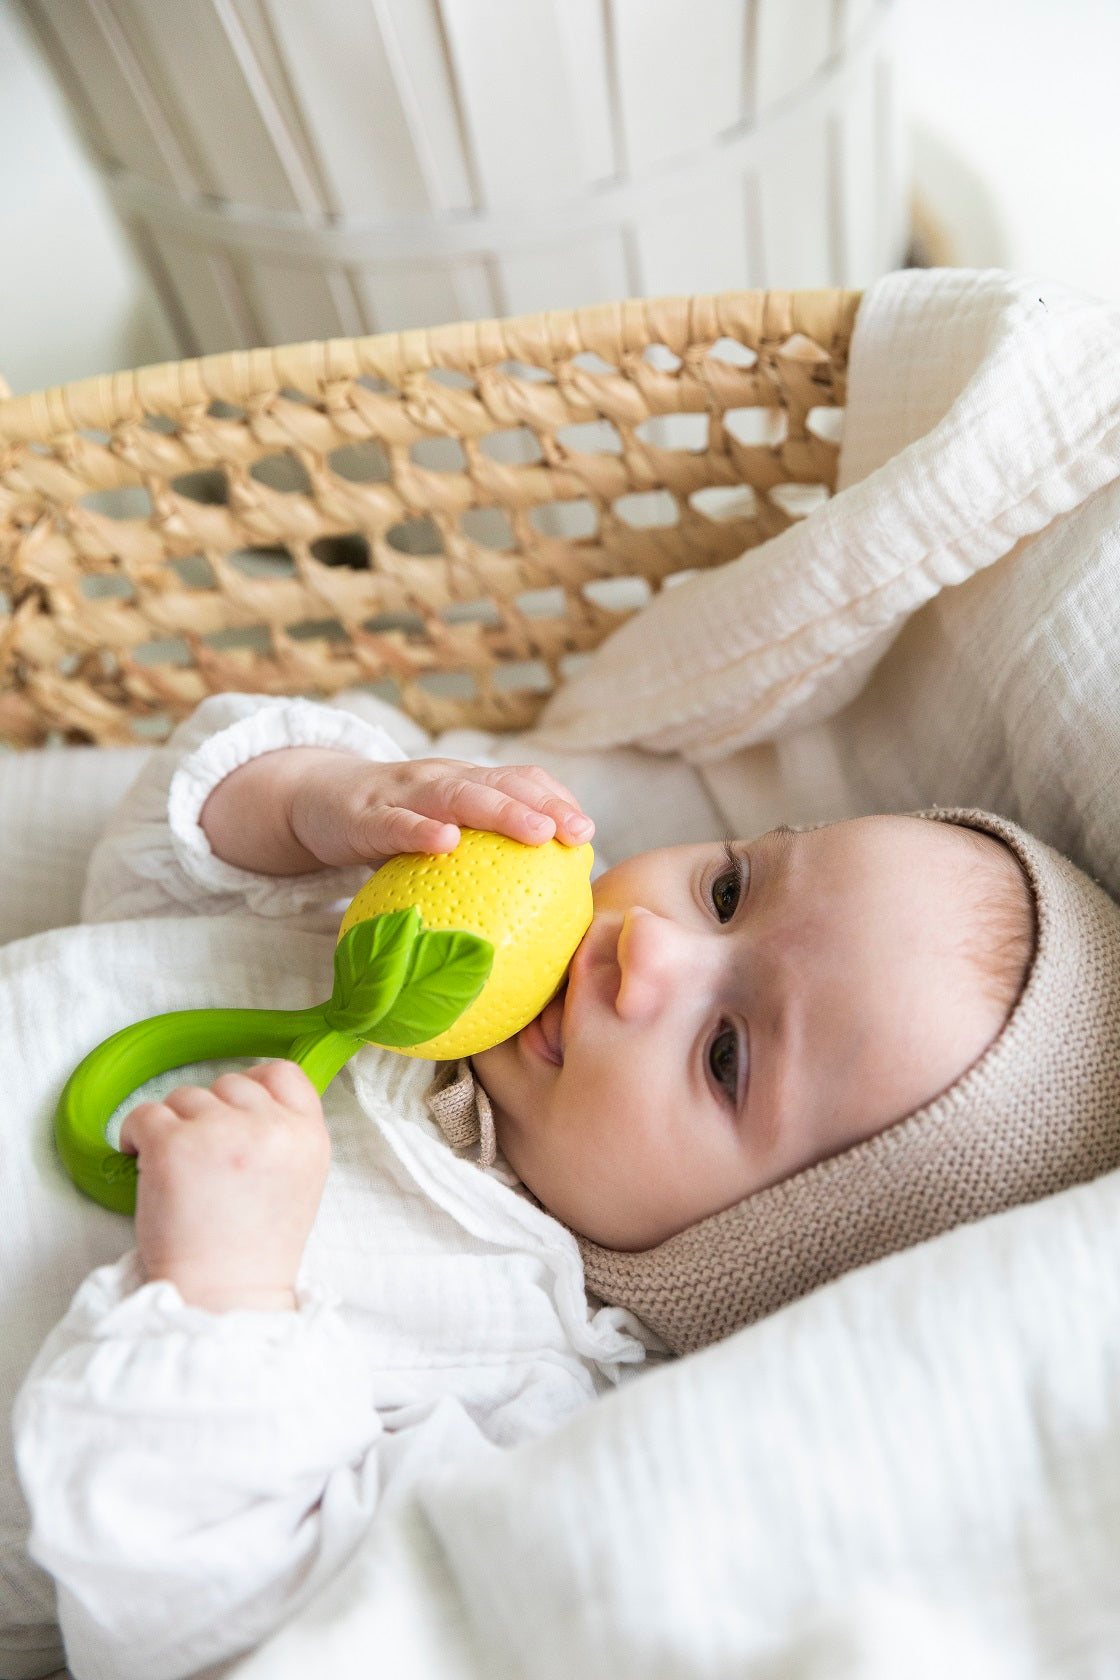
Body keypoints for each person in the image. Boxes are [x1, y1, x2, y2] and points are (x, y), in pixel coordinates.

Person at [8, 690, 1120, 1680]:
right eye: (727, 888)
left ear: (744, 1257)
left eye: (725, 1055)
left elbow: (207, 1621)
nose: (648, 948)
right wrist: (317, 802)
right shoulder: (410, 929)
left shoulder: (515, 1394)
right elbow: (144, 872)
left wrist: (222, 1293)